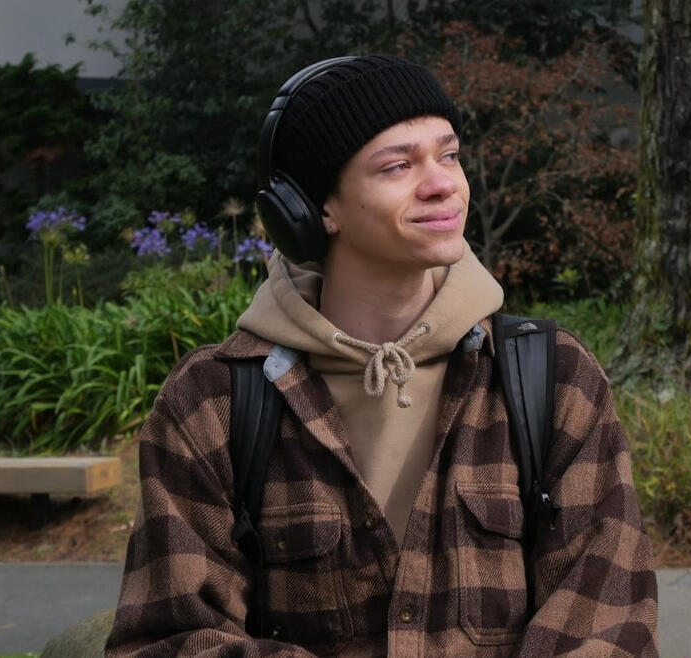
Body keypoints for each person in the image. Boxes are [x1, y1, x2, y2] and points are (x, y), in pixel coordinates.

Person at [106, 54, 658, 657]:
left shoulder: (551, 379)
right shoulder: (211, 404)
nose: (443, 183)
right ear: (315, 209)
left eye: (449, 155)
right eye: (398, 165)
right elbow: (173, 637)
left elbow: (608, 626)